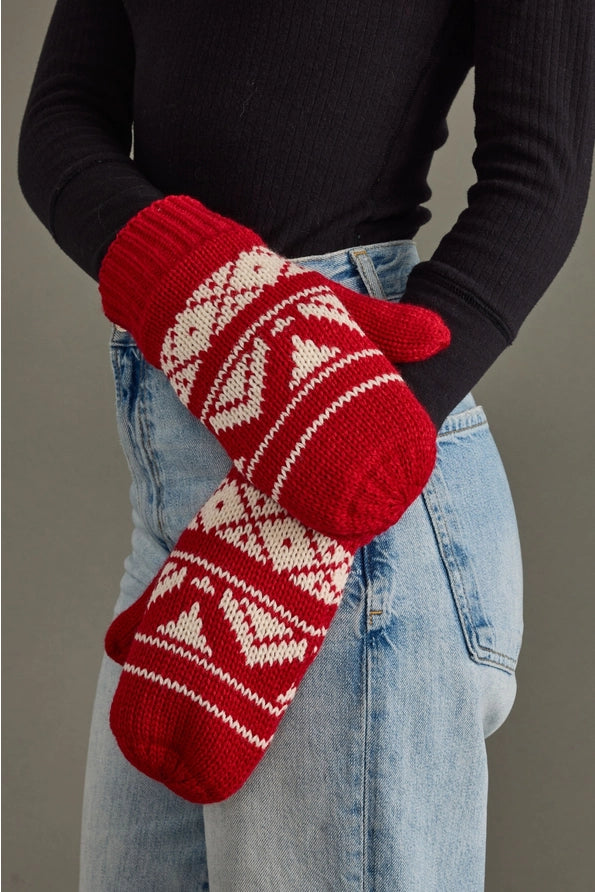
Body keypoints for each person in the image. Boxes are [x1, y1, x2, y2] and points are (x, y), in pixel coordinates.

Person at [18, 0, 593, 889]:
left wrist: (345, 445)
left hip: (351, 496)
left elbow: (537, 177)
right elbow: (59, 125)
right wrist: (204, 286)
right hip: (175, 478)